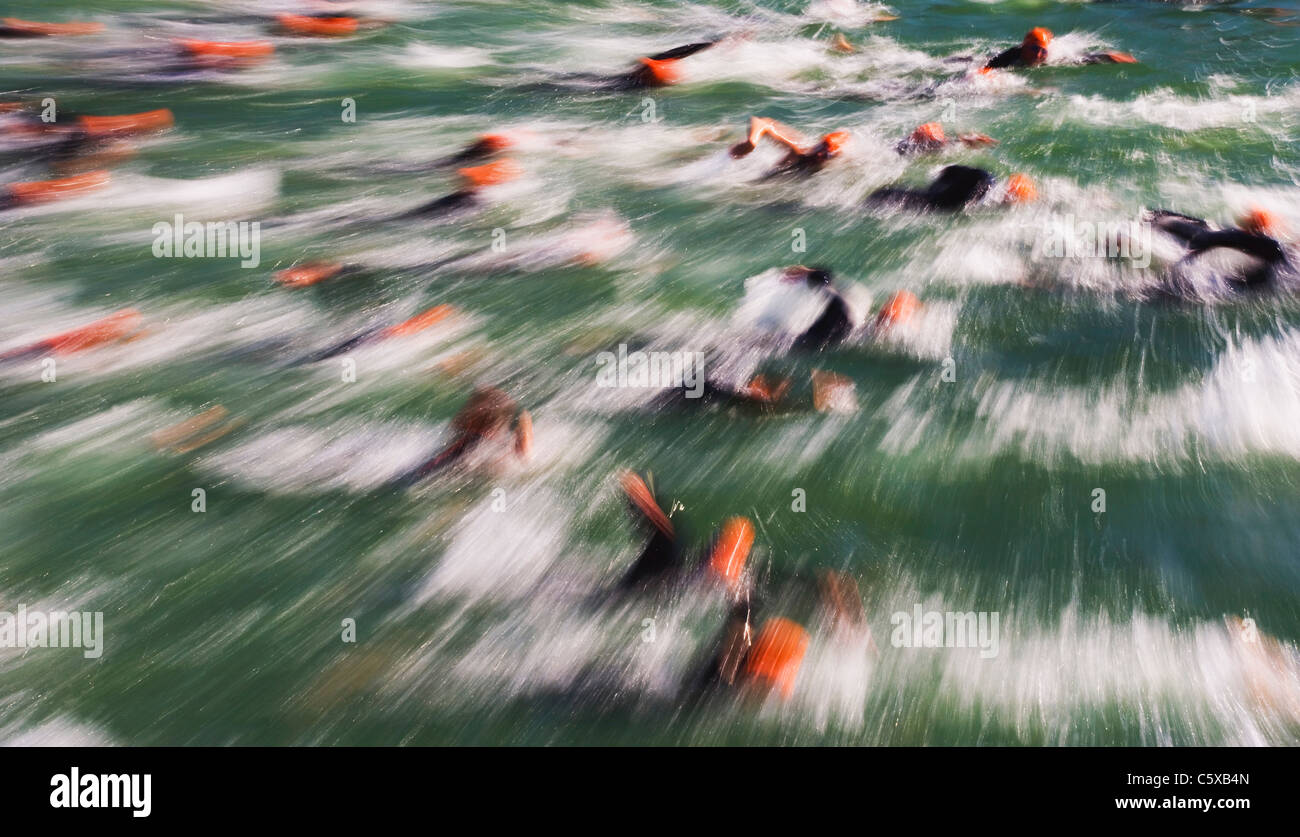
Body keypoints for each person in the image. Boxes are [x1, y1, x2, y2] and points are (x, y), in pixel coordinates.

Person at [394, 387, 533, 486]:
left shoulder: (470, 441)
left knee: (412, 477)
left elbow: (428, 468)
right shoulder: (513, 423)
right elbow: (523, 455)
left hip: (475, 451)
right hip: (488, 452)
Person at [1149, 206, 1293, 290]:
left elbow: (1208, 240)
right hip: (1267, 277)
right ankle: (1157, 217)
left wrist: (1186, 259)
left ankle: (1155, 217)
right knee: (1209, 228)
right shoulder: (1271, 243)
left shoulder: (1249, 239)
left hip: (1250, 282)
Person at [867, 165, 1036, 212]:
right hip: (891, 201)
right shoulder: (975, 198)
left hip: (894, 192)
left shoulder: (985, 178)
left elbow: (948, 170)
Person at [729, 117, 849, 179]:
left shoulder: (823, 165)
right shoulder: (799, 150)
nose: (821, 156)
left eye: (825, 155)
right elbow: (761, 122)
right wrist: (751, 143)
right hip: (733, 157)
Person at [980, 27, 1136, 72]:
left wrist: (1107, 56)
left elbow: (1081, 59)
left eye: (1043, 50)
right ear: (1024, 46)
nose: (1038, 54)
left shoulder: (1049, 56)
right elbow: (984, 69)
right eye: (1034, 48)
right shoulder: (1011, 56)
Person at [895, 122, 996, 155]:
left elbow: (949, 141)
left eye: (935, 143)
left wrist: (968, 139)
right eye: (931, 143)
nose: (935, 145)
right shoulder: (903, 149)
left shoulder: (940, 143)